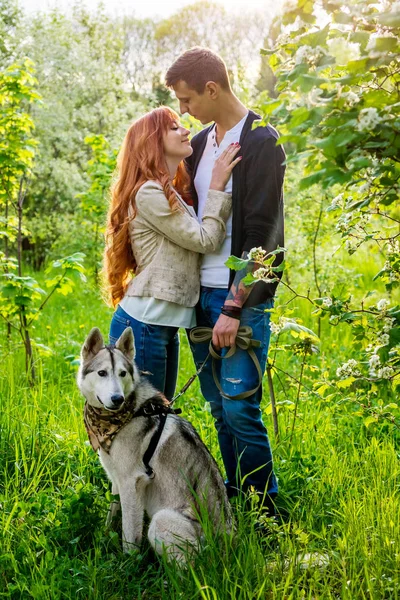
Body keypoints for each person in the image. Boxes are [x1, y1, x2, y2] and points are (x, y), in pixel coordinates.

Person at [165, 48, 286, 515]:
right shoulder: (197, 143)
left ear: (212, 89)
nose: (184, 109)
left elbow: (265, 235)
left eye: (188, 98)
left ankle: (268, 513)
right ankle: (238, 504)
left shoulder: (261, 141)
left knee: (240, 407)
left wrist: (235, 307)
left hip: (240, 298)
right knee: (218, 409)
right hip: (199, 296)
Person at [104, 106, 240, 400]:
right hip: (144, 325)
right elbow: (205, 240)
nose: (186, 130)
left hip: (161, 325)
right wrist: (217, 186)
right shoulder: (149, 193)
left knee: (157, 420)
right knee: (145, 422)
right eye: (174, 127)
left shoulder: (169, 191)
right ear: (152, 142)